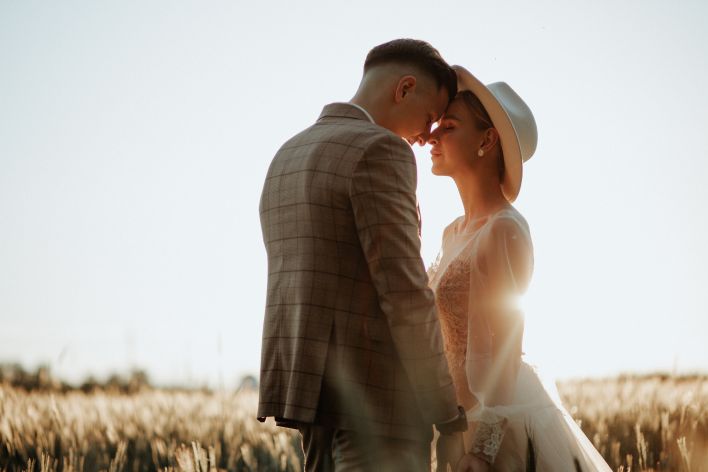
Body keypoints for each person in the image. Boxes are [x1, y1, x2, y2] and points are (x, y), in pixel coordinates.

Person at [257, 40, 479, 472]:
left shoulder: (286, 155)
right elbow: (405, 294)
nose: (425, 138)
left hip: (309, 407)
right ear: (405, 88)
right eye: (430, 118)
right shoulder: (381, 151)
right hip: (380, 411)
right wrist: (447, 414)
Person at [427, 65, 613, 471]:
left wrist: (485, 449)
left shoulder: (504, 228)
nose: (433, 135)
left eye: (450, 126)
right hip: (451, 426)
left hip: (493, 427)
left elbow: (508, 346)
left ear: (488, 139)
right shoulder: (451, 232)